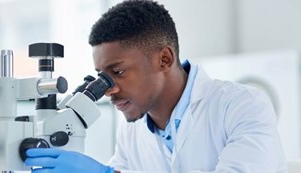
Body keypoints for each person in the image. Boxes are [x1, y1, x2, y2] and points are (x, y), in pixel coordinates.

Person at [24, 0, 287, 172]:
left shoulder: (243, 107)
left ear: (164, 59)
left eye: (117, 72)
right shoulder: (131, 132)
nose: (108, 89)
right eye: (100, 77)